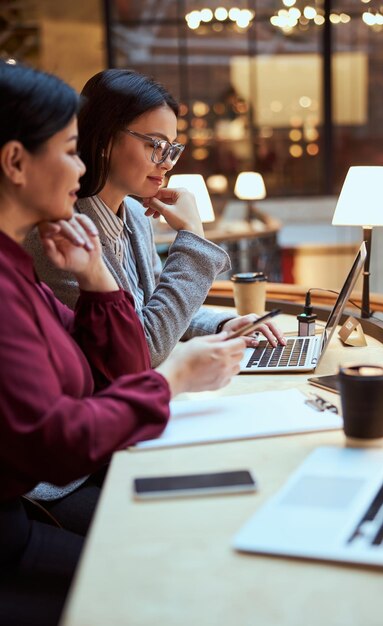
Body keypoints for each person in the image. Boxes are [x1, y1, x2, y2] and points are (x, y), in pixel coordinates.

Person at [0, 61, 245, 626]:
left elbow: (124, 344)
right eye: (69, 149)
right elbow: (131, 369)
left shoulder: (34, 264)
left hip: (71, 466)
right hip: (43, 492)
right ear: (15, 162)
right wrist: (172, 378)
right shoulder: (41, 250)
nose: (78, 166)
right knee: (180, 569)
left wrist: (99, 281)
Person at [26, 68, 285, 368]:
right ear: (105, 140)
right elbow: (144, 348)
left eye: (172, 148)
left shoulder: (134, 214)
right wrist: (193, 239)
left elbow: (157, 309)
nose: (167, 163)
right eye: (156, 145)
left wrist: (221, 324)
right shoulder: (60, 237)